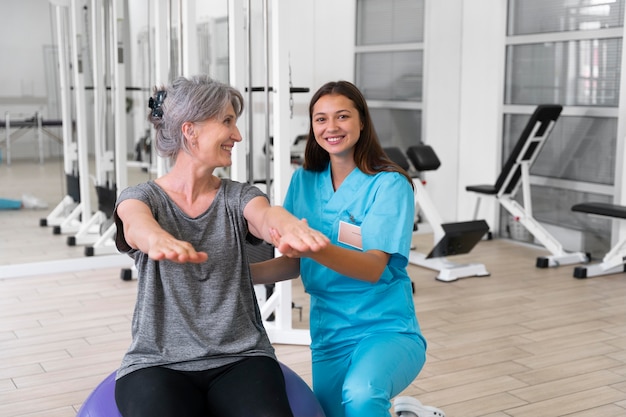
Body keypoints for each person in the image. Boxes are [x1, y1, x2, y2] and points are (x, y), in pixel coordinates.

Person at [112, 75, 328, 417]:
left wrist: (284, 226)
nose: (237, 135)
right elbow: (135, 223)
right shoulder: (142, 197)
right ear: (190, 130)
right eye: (227, 122)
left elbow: (264, 215)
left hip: (241, 357)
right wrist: (156, 239)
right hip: (157, 361)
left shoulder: (239, 195)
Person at [252, 80, 432, 417]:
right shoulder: (303, 182)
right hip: (329, 334)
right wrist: (239, 275)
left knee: (361, 396)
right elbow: (294, 263)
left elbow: (373, 267)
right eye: (320, 119)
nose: (331, 127)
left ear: (362, 122)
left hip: (385, 329)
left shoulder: (389, 184)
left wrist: (314, 248)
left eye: (342, 116)